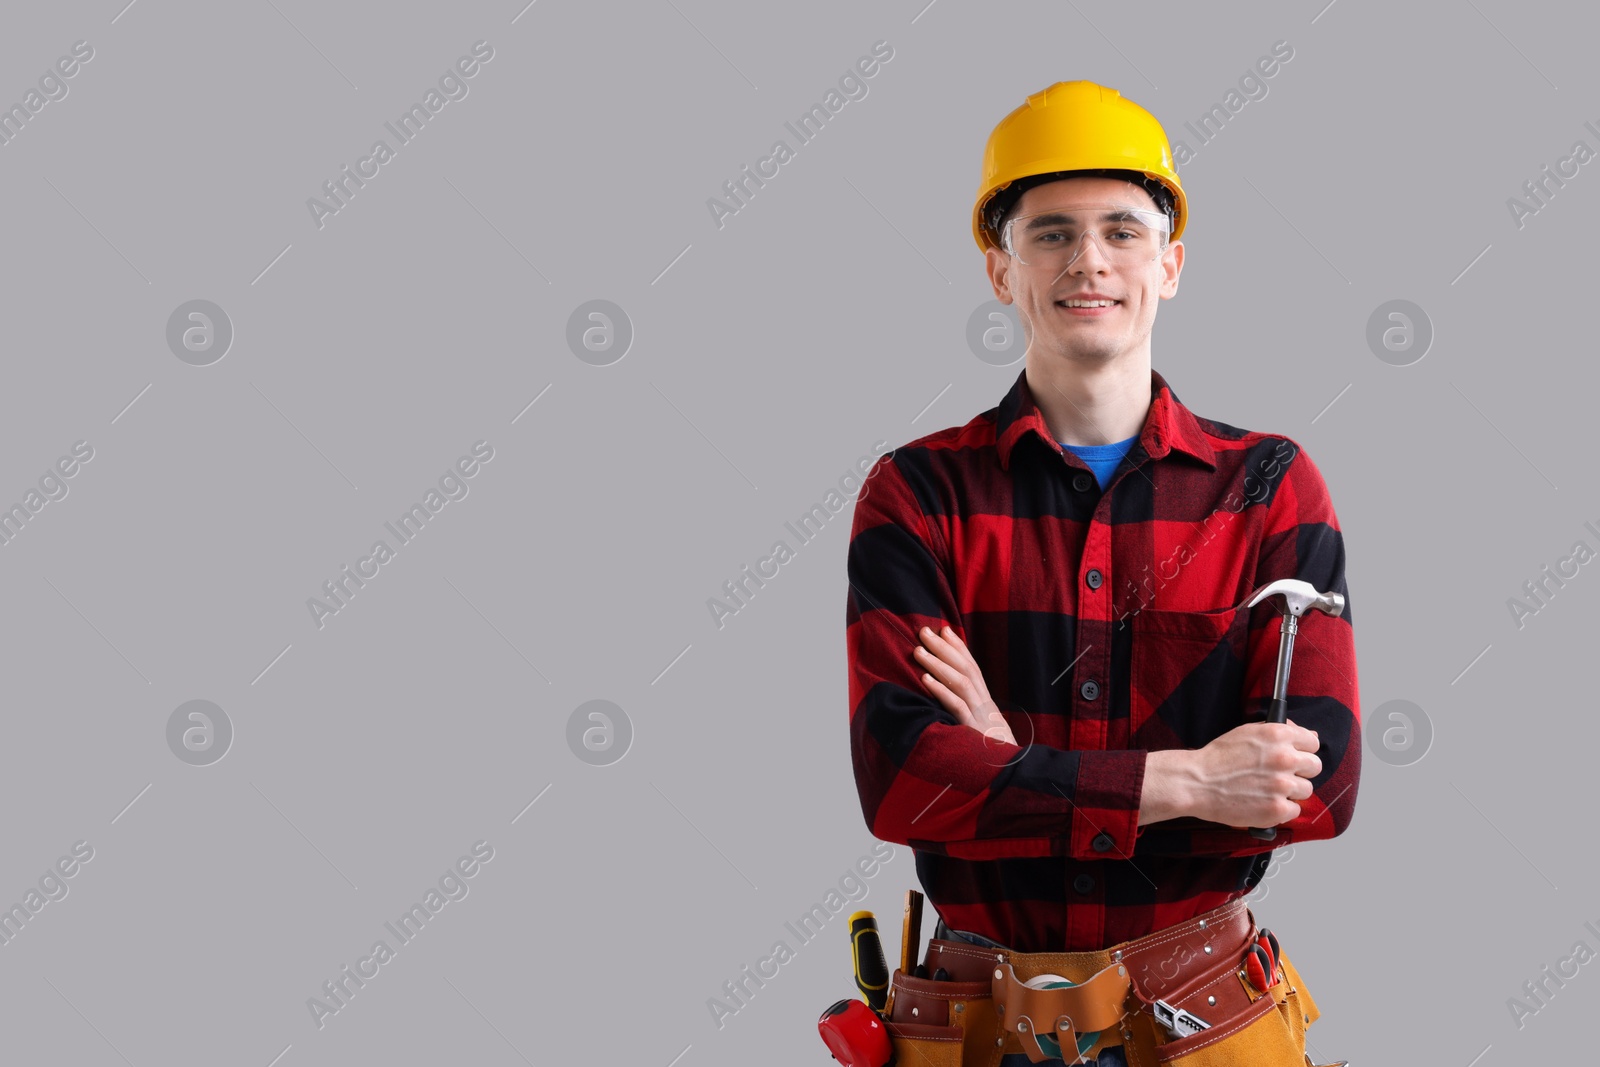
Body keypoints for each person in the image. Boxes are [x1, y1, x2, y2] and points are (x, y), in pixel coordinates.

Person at [845, 81, 1359, 1066]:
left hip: (1207, 1021)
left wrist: (1013, 763)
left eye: (1122, 230)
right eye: (1049, 233)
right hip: (974, 1028)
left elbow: (1321, 785)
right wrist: (1196, 776)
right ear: (999, 268)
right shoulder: (917, 493)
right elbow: (902, 779)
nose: (1088, 260)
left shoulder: (1268, 488)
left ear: (1169, 264)